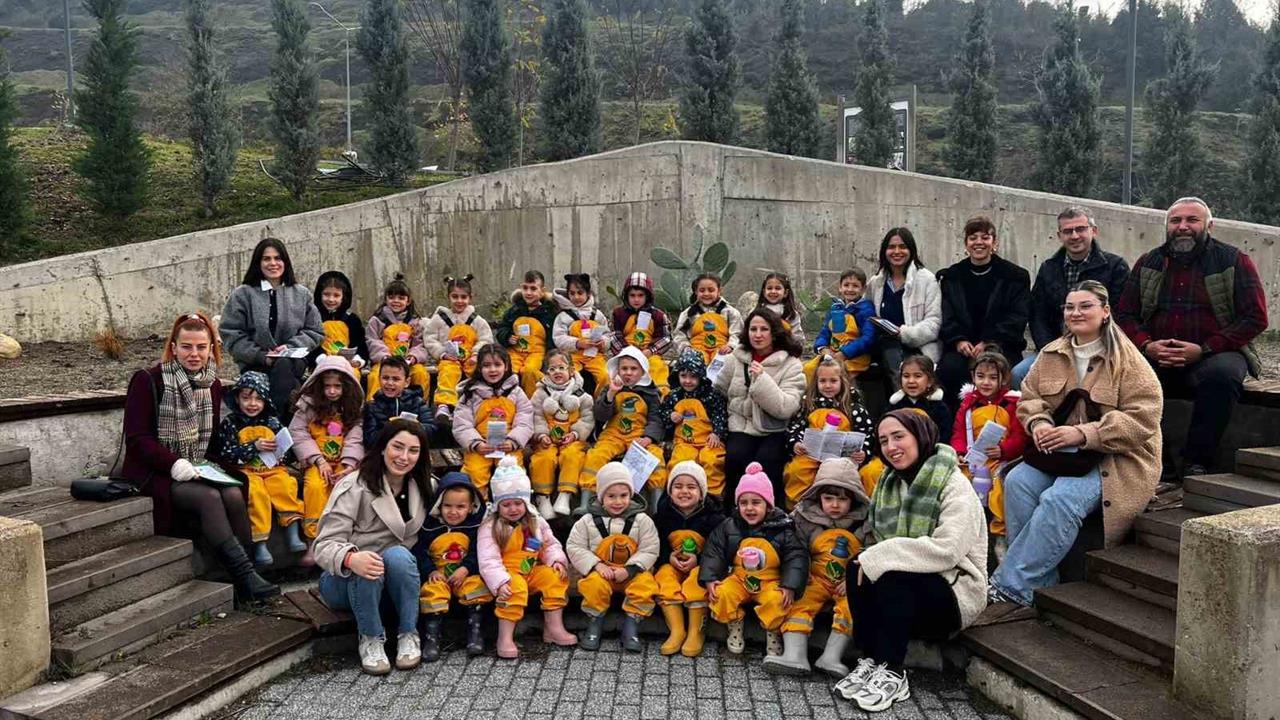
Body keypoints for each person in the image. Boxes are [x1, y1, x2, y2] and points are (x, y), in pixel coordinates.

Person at [989, 280, 1163, 607]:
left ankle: (1009, 584)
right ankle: (1034, 583)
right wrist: (1039, 423)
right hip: (1063, 453)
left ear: (1106, 311)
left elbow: (1144, 419)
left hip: (1118, 459)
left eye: (1086, 306)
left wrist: (1085, 434)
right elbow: (1030, 398)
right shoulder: (1052, 353)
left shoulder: (1130, 360)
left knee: (1060, 499)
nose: (1076, 313)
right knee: (1017, 482)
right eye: (1070, 307)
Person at [834, 411, 987, 713]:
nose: (891, 447)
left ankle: (893, 671)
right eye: (884, 440)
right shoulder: (890, 482)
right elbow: (875, 539)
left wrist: (882, 555)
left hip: (956, 591)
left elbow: (948, 549)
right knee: (857, 565)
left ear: (921, 435)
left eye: (899, 436)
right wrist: (868, 559)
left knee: (893, 574)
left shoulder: (954, 483)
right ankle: (872, 658)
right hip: (911, 593)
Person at [122, 312, 278, 603]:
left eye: (201, 347)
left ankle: (248, 575)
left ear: (211, 349)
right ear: (174, 347)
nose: (194, 354)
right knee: (209, 497)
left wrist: (238, 458)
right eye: (187, 347)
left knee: (232, 491)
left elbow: (213, 442)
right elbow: (137, 439)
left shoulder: (212, 384)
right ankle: (245, 578)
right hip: (154, 471)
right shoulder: (149, 380)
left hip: (196, 463)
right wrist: (174, 464)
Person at [1116, 197, 1268, 477]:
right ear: (1167, 226)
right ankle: (1156, 463)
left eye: (1191, 220)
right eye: (1176, 221)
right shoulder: (1149, 262)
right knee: (1127, 378)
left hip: (1216, 351)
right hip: (1156, 351)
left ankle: (1196, 461)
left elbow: (1255, 318)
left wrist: (1204, 349)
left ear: (1209, 225)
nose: (1183, 226)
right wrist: (1147, 346)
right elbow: (1124, 315)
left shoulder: (1234, 260)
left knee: (1222, 377)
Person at [314, 418, 433, 675]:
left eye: (413, 451)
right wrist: (350, 558)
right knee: (369, 564)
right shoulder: (354, 486)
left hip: (397, 579)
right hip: (344, 580)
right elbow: (323, 545)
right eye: (397, 447)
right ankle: (370, 638)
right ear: (382, 447)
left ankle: (408, 634)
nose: (404, 457)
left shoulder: (425, 486)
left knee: (400, 556)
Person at [767, 458, 869, 678]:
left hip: (846, 580)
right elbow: (794, 549)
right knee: (798, 603)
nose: (834, 505)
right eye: (828, 498)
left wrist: (852, 578)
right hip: (815, 577)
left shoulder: (863, 522)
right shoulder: (804, 518)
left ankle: (832, 656)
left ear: (854, 498)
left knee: (851, 607)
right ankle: (795, 654)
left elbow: (869, 552)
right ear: (818, 497)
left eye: (842, 499)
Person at [700, 462, 809, 656]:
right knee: (722, 593)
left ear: (768, 505)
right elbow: (714, 550)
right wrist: (710, 578)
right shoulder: (729, 526)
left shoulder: (783, 528)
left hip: (770, 581)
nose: (749, 508)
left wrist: (789, 585)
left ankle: (772, 629)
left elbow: (796, 557)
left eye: (756, 503)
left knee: (778, 600)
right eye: (744, 503)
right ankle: (735, 622)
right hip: (739, 578)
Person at [1014, 208, 1130, 389]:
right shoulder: (1049, 268)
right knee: (1018, 375)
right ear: (1059, 235)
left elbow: (1121, 313)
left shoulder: (1115, 267)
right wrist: (1051, 348)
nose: (1074, 236)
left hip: (1101, 350)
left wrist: (1098, 347)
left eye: (1080, 229)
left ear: (1094, 231)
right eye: (1067, 231)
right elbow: (1037, 314)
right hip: (1056, 348)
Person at [476, 456, 578, 659]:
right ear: (498, 505)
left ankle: (553, 627)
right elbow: (488, 559)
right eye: (506, 505)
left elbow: (549, 544)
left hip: (531, 570)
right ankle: (505, 637)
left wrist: (556, 560)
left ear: (526, 502)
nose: (513, 509)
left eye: (517, 503)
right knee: (515, 589)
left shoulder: (536, 522)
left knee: (554, 578)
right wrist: (500, 581)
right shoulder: (491, 527)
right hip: (508, 573)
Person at [219, 238, 324, 421]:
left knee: (284, 364)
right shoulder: (243, 294)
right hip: (256, 364)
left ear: (285, 261)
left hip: (293, 360)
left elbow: (315, 331)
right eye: (266, 259)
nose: (273, 263)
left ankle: (270, 421)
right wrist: (262, 356)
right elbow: (230, 333)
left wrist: (291, 346)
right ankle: (286, 422)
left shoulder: (301, 294)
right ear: (258, 263)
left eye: (278, 258)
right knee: (290, 382)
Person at [936, 217, 1031, 407]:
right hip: (963, 348)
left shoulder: (1016, 276)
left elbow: (1018, 317)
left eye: (985, 237)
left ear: (994, 243)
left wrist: (988, 341)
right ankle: (958, 428)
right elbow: (946, 315)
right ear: (966, 244)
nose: (979, 242)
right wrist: (958, 340)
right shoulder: (951, 276)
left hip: (1002, 345)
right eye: (973, 238)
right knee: (949, 370)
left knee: (1001, 370)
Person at [566, 463, 661, 652]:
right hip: (602, 571)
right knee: (593, 586)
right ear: (601, 497)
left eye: (623, 496)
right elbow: (574, 546)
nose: (618, 501)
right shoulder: (587, 521)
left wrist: (630, 569)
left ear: (631, 495)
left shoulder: (642, 520)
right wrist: (596, 566)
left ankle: (631, 624)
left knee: (645, 586)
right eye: (611, 496)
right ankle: (595, 622)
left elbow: (650, 548)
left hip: (633, 571)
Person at [714, 308, 807, 502]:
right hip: (740, 424)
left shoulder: (791, 364)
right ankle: (734, 511)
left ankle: (772, 512)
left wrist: (762, 381)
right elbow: (719, 392)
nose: (758, 335)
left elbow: (787, 407)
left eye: (764, 329)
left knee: (768, 461)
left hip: (773, 428)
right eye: (753, 329)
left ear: (774, 332)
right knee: (736, 457)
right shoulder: (735, 359)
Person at [217, 371, 304, 568]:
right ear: (237, 398)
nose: (252, 403)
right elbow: (227, 453)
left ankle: (292, 528)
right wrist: (253, 447)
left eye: (258, 398)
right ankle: (260, 542)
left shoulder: (272, 422)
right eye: (246, 398)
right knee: (256, 494)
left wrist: (283, 454)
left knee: (285, 484)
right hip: (246, 471)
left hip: (272, 469)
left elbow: (289, 450)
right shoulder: (231, 423)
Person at [413, 471, 492, 661]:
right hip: (438, 575)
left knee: (477, 587)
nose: (453, 511)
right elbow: (419, 552)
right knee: (432, 592)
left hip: (465, 574)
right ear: (439, 505)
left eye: (460, 507)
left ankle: (475, 632)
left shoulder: (475, 528)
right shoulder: (429, 527)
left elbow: (478, 551)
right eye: (447, 505)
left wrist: (466, 568)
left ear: (471, 507)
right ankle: (432, 637)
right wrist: (430, 570)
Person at [289, 355, 365, 551]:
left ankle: (341, 538)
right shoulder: (308, 406)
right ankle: (313, 539)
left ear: (346, 387)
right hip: (317, 462)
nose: (332, 391)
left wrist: (349, 463)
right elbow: (297, 431)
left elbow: (355, 436)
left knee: (344, 488)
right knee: (314, 487)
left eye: (337, 386)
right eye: (327, 386)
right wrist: (318, 460)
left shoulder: (352, 409)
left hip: (342, 462)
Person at [950, 350, 1027, 540]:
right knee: (956, 481)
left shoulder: (1012, 404)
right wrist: (959, 451)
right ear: (972, 376)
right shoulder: (968, 405)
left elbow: (1020, 437)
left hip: (1000, 460)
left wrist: (1003, 450)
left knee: (1000, 487)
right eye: (981, 376)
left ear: (1004, 379)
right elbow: (958, 432)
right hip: (974, 458)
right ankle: (961, 530)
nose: (986, 382)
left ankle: (1000, 533)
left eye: (993, 377)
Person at [652, 461, 725, 657]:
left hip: (701, 564)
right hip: (672, 562)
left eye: (691, 487)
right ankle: (677, 630)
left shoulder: (715, 517)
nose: (684, 491)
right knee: (664, 577)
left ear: (701, 493)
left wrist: (698, 559)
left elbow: (717, 548)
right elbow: (656, 542)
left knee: (697, 580)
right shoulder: (662, 515)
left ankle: (695, 631)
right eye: (678, 486)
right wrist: (668, 556)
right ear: (670, 491)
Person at [578, 346, 668, 506]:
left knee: (656, 456)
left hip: (639, 436)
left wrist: (648, 438)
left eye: (633, 369)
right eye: (624, 368)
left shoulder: (651, 392)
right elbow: (600, 415)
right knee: (595, 455)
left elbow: (656, 419)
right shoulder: (611, 388)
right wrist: (611, 394)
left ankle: (656, 503)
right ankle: (586, 501)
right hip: (613, 435)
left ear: (642, 371)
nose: (628, 372)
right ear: (617, 370)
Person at [782, 356, 874, 509]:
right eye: (823, 381)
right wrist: (796, 443)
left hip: (841, 457)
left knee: (840, 477)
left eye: (833, 381)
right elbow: (796, 428)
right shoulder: (809, 404)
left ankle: (841, 507)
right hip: (812, 453)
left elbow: (867, 432)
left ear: (842, 381)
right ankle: (796, 507)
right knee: (796, 470)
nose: (828, 385)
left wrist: (864, 452)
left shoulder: (853, 407)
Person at [452, 346, 534, 496]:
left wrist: (513, 441)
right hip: (481, 445)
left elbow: (525, 420)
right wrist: (476, 444)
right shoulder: (471, 394)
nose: (492, 370)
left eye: (497, 365)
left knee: (512, 472)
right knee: (475, 472)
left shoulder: (516, 392)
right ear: (479, 368)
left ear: (506, 366)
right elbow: (461, 424)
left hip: (508, 445)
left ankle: (514, 506)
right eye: (486, 365)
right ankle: (479, 508)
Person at [864, 228, 942, 376]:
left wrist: (905, 334)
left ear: (911, 250)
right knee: (888, 348)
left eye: (903, 247)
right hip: (883, 345)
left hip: (918, 347)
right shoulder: (876, 283)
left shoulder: (927, 279)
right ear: (884, 251)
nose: (897, 251)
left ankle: (904, 391)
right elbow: (865, 312)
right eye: (892, 247)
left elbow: (934, 322)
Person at [528, 349, 594, 518]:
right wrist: (542, 435)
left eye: (561, 368)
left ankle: (565, 494)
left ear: (571, 370)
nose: (557, 372)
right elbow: (536, 416)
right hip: (547, 440)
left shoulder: (582, 396)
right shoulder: (540, 394)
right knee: (543, 458)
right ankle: (543, 497)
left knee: (573, 456)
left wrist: (575, 434)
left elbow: (587, 419)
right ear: (546, 372)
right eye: (552, 369)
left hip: (571, 439)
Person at [424, 275, 494, 423]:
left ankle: (483, 403)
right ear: (448, 297)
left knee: (479, 373)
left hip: (471, 358)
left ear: (470, 298)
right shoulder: (439, 319)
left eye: (463, 297)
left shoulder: (477, 320)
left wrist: (476, 353)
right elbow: (429, 338)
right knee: (448, 372)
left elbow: (486, 339)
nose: (459, 301)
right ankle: (444, 405)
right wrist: (442, 353)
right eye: (455, 297)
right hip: (450, 359)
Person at [659, 350, 728, 499]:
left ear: (701, 377)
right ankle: (674, 494)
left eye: (693, 376)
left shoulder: (711, 395)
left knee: (711, 460)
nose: (688, 381)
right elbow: (663, 412)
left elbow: (720, 414)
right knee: (680, 461)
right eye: (683, 376)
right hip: (684, 441)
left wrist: (717, 433)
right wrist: (670, 416)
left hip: (708, 440)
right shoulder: (673, 395)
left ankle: (713, 495)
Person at [365, 274, 431, 403]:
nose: (396, 301)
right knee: (374, 376)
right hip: (384, 362)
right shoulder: (377, 320)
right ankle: (373, 408)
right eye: (391, 297)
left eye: (401, 298)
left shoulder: (415, 321)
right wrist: (384, 356)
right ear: (385, 299)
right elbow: (372, 340)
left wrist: (413, 356)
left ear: (408, 301)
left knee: (421, 373)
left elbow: (420, 343)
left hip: (407, 363)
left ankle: (420, 406)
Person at [806, 268, 877, 382]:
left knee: (835, 374)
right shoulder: (835, 308)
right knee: (808, 369)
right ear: (840, 287)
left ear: (863, 289)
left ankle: (841, 398)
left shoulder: (866, 310)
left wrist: (845, 353)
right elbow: (824, 333)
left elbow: (868, 338)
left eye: (855, 286)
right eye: (846, 285)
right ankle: (812, 398)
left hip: (855, 357)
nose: (850, 289)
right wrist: (823, 348)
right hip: (833, 353)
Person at [495, 270, 558, 396]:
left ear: (542, 290)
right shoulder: (515, 310)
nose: (528, 293)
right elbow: (502, 328)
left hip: (537, 353)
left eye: (533, 289)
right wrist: (507, 337)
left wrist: (550, 358)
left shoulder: (549, 313)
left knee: (529, 371)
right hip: (515, 351)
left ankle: (531, 400)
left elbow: (553, 338)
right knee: (508, 370)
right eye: (525, 288)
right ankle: (507, 398)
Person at [609, 272, 673, 394]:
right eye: (632, 295)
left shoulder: (658, 315)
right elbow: (614, 336)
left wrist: (650, 350)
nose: (636, 299)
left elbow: (666, 338)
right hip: (624, 354)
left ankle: (660, 399)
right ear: (626, 296)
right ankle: (609, 401)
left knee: (658, 369)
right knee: (612, 373)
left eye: (640, 295)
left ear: (647, 296)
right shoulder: (618, 314)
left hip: (649, 354)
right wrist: (628, 352)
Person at [552, 273, 611, 396]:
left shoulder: (597, 315)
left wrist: (603, 343)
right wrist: (577, 343)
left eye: (580, 293)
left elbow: (607, 334)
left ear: (588, 294)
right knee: (571, 376)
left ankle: (599, 403)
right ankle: (571, 404)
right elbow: (558, 338)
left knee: (605, 376)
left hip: (595, 357)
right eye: (572, 293)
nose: (576, 297)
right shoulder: (563, 316)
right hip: (572, 356)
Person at [362, 356, 436, 447]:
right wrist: (392, 428)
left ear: (407, 382)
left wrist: (414, 427)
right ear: (379, 378)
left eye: (396, 379)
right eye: (385, 378)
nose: (389, 383)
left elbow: (431, 430)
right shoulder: (372, 406)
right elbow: (370, 439)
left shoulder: (417, 402)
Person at [673, 273, 744, 364]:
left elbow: (738, 333)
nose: (706, 294)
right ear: (696, 292)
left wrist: (731, 346)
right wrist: (686, 348)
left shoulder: (730, 312)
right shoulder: (688, 314)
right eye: (702, 290)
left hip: (722, 352)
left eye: (711, 290)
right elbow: (678, 335)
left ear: (719, 291)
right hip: (695, 352)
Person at [308, 270, 369, 370]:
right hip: (321, 365)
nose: (331, 299)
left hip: (348, 366)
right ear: (319, 294)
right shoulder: (313, 317)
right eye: (326, 294)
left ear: (344, 297)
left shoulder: (352, 320)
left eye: (336, 295)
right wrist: (321, 359)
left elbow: (361, 347)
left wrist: (358, 361)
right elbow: (310, 344)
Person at [755, 272, 806, 347]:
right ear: (764, 292)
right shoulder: (757, 313)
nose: (773, 291)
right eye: (769, 288)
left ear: (785, 293)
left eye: (778, 288)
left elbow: (798, 339)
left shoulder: (791, 314)